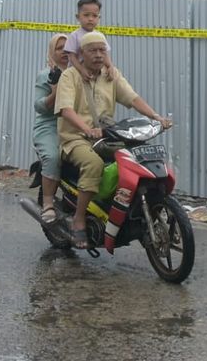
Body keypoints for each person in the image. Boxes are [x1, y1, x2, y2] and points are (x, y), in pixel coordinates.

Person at [55, 30, 171, 249]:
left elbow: (132, 98)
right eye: (93, 50)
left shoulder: (111, 75)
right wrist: (87, 129)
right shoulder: (70, 76)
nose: (99, 55)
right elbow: (66, 110)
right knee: (94, 164)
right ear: (82, 53)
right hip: (75, 138)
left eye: (102, 50)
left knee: (136, 159)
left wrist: (156, 117)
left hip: (107, 136)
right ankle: (79, 220)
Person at [33, 33, 70, 224]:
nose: (64, 51)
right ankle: (48, 203)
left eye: (67, 47)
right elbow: (39, 106)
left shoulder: (77, 73)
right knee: (54, 156)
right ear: (52, 51)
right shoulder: (46, 74)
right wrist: (54, 94)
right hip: (49, 126)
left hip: (73, 126)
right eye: (59, 47)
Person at [64, 0, 114, 82]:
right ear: (78, 17)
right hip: (76, 75)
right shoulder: (74, 35)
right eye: (86, 15)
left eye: (94, 16)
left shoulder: (100, 36)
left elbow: (105, 54)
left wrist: (110, 66)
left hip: (95, 74)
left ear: (99, 18)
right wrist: (81, 70)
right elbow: (72, 57)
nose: (90, 19)